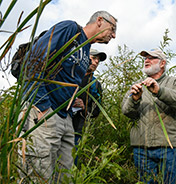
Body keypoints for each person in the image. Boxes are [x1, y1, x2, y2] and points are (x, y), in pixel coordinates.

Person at [19, 11, 117, 182]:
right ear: (100, 21)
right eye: (113, 28)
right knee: (37, 173)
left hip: (65, 117)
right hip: (44, 112)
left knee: (65, 176)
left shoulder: (86, 51)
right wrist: (42, 107)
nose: (114, 35)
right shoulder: (70, 30)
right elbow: (33, 62)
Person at [121, 48, 176, 184]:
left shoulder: (175, 82)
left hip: (169, 147)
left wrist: (160, 91)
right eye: (145, 58)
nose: (146, 60)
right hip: (141, 148)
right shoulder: (137, 86)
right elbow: (126, 111)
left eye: (152, 58)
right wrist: (134, 100)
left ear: (162, 63)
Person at [72, 49, 106, 166]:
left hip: (77, 130)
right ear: (85, 57)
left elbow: (97, 110)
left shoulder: (95, 84)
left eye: (98, 60)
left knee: (71, 164)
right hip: (56, 124)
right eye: (93, 58)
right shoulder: (70, 75)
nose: (96, 62)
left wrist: (84, 107)